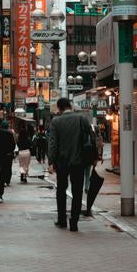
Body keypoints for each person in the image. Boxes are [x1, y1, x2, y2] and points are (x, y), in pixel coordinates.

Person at [48, 97, 93, 232]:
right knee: (77, 191)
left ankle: (62, 220)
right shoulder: (81, 119)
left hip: (62, 162)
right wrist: (94, 156)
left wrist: (51, 161)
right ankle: (74, 222)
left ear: (60, 108)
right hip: (79, 161)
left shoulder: (56, 122)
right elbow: (91, 136)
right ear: (70, 106)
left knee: (61, 190)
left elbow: (53, 144)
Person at [0, 118, 15, 202]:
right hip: (3, 157)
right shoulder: (8, 133)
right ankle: (0, 194)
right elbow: (12, 146)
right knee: (1, 177)